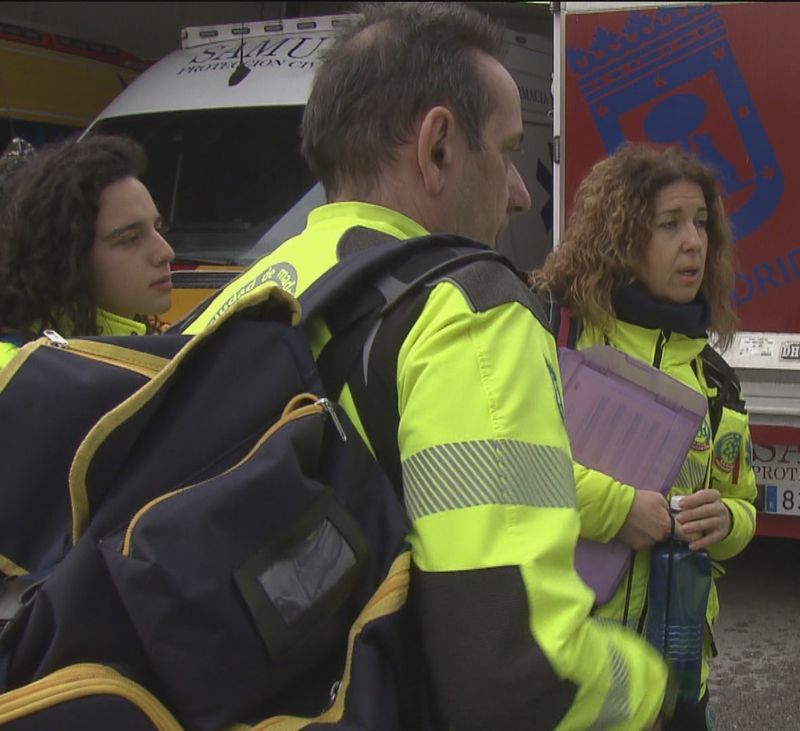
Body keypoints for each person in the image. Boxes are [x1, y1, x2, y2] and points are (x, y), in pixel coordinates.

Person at [182, 4, 670, 729]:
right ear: (438, 148)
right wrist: (655, 690)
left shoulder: (234, 301)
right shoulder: (465, 306)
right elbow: (521, 674)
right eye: (507, 151)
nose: (520, 193)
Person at [534, 143, 759, 731]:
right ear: (622, 239)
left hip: (676, 679)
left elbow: (743, 502)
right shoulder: (559, 338)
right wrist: (618, 510)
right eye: (669, 225)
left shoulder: (715, 380)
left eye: (701, 224)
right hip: (571, 673)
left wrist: (726, 521)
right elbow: (511, 470)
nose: (694, 243)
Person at [0, 134, 173, 367]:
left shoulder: (157, 340)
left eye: (158, 228)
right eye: (131, 238)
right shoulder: (15, 373)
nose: (166, 252)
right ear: (64, 256)